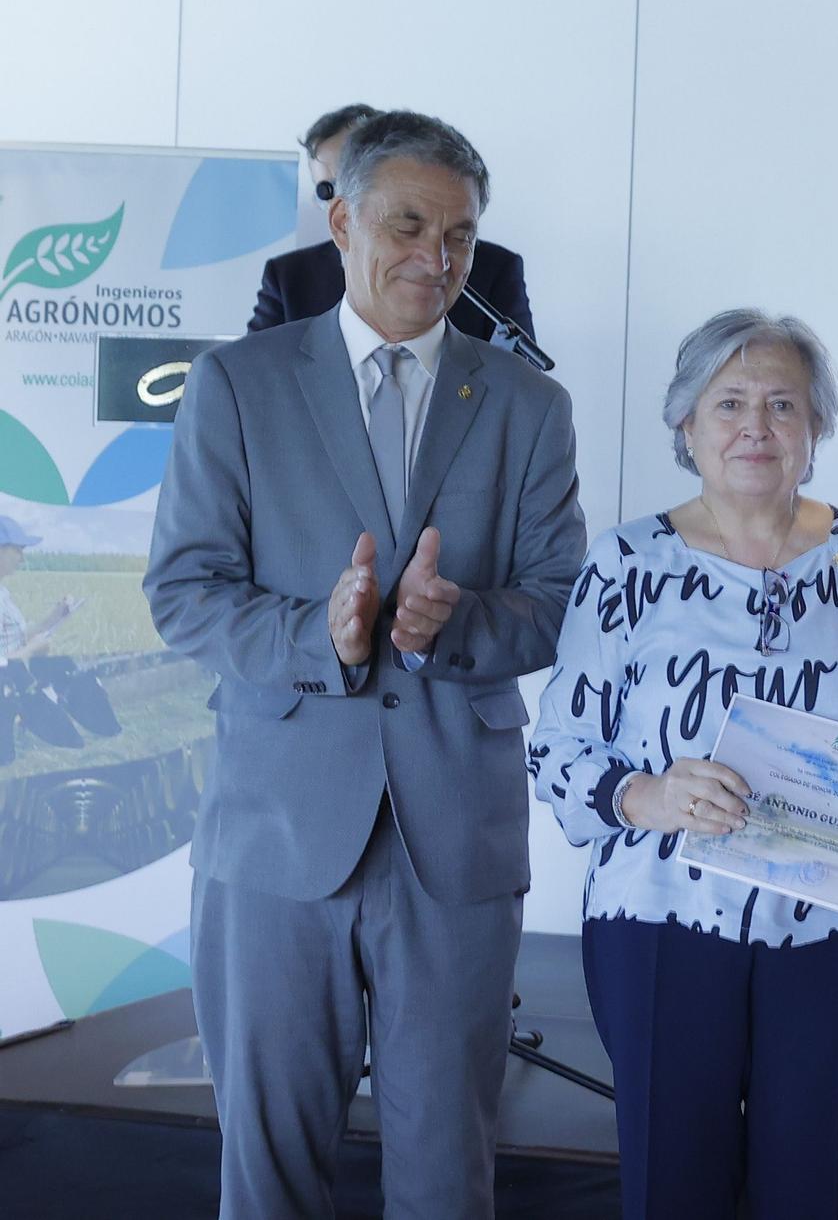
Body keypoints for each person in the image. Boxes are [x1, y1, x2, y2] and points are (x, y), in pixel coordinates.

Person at [146, 109, 585, 1218]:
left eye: (460, 238)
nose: (433, 261)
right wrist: (318, 634)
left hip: (455, 844)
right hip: (277, 836)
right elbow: (184, 592)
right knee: (271, 1173)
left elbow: (558, 604)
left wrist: (454, 624)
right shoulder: (236, 385)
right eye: (406, 225)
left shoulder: (529, 405)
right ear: (340, 222)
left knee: (447, 1177)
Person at [531, 309, 838, 1220]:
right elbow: (559, 750)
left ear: (815, 430)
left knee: (817, 1181)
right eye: (728, 402)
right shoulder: (626, 561)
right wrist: (649, 792)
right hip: (661, 916)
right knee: (675, 1184)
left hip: (833, 917)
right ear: (685, 426)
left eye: (783, 404)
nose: (756, 426)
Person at [248, 103, 537, 343]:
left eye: (359, 165)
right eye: (329, 187)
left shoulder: (488, 268)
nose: (435, 263)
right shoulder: (289, 277)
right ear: (340, 218)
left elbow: (519, 386)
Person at [0, 515, 78, 659]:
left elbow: (17, 638)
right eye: (18, 550)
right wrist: (31, 649)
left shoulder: (3, 593)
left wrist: (56, 616)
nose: (22, 559)